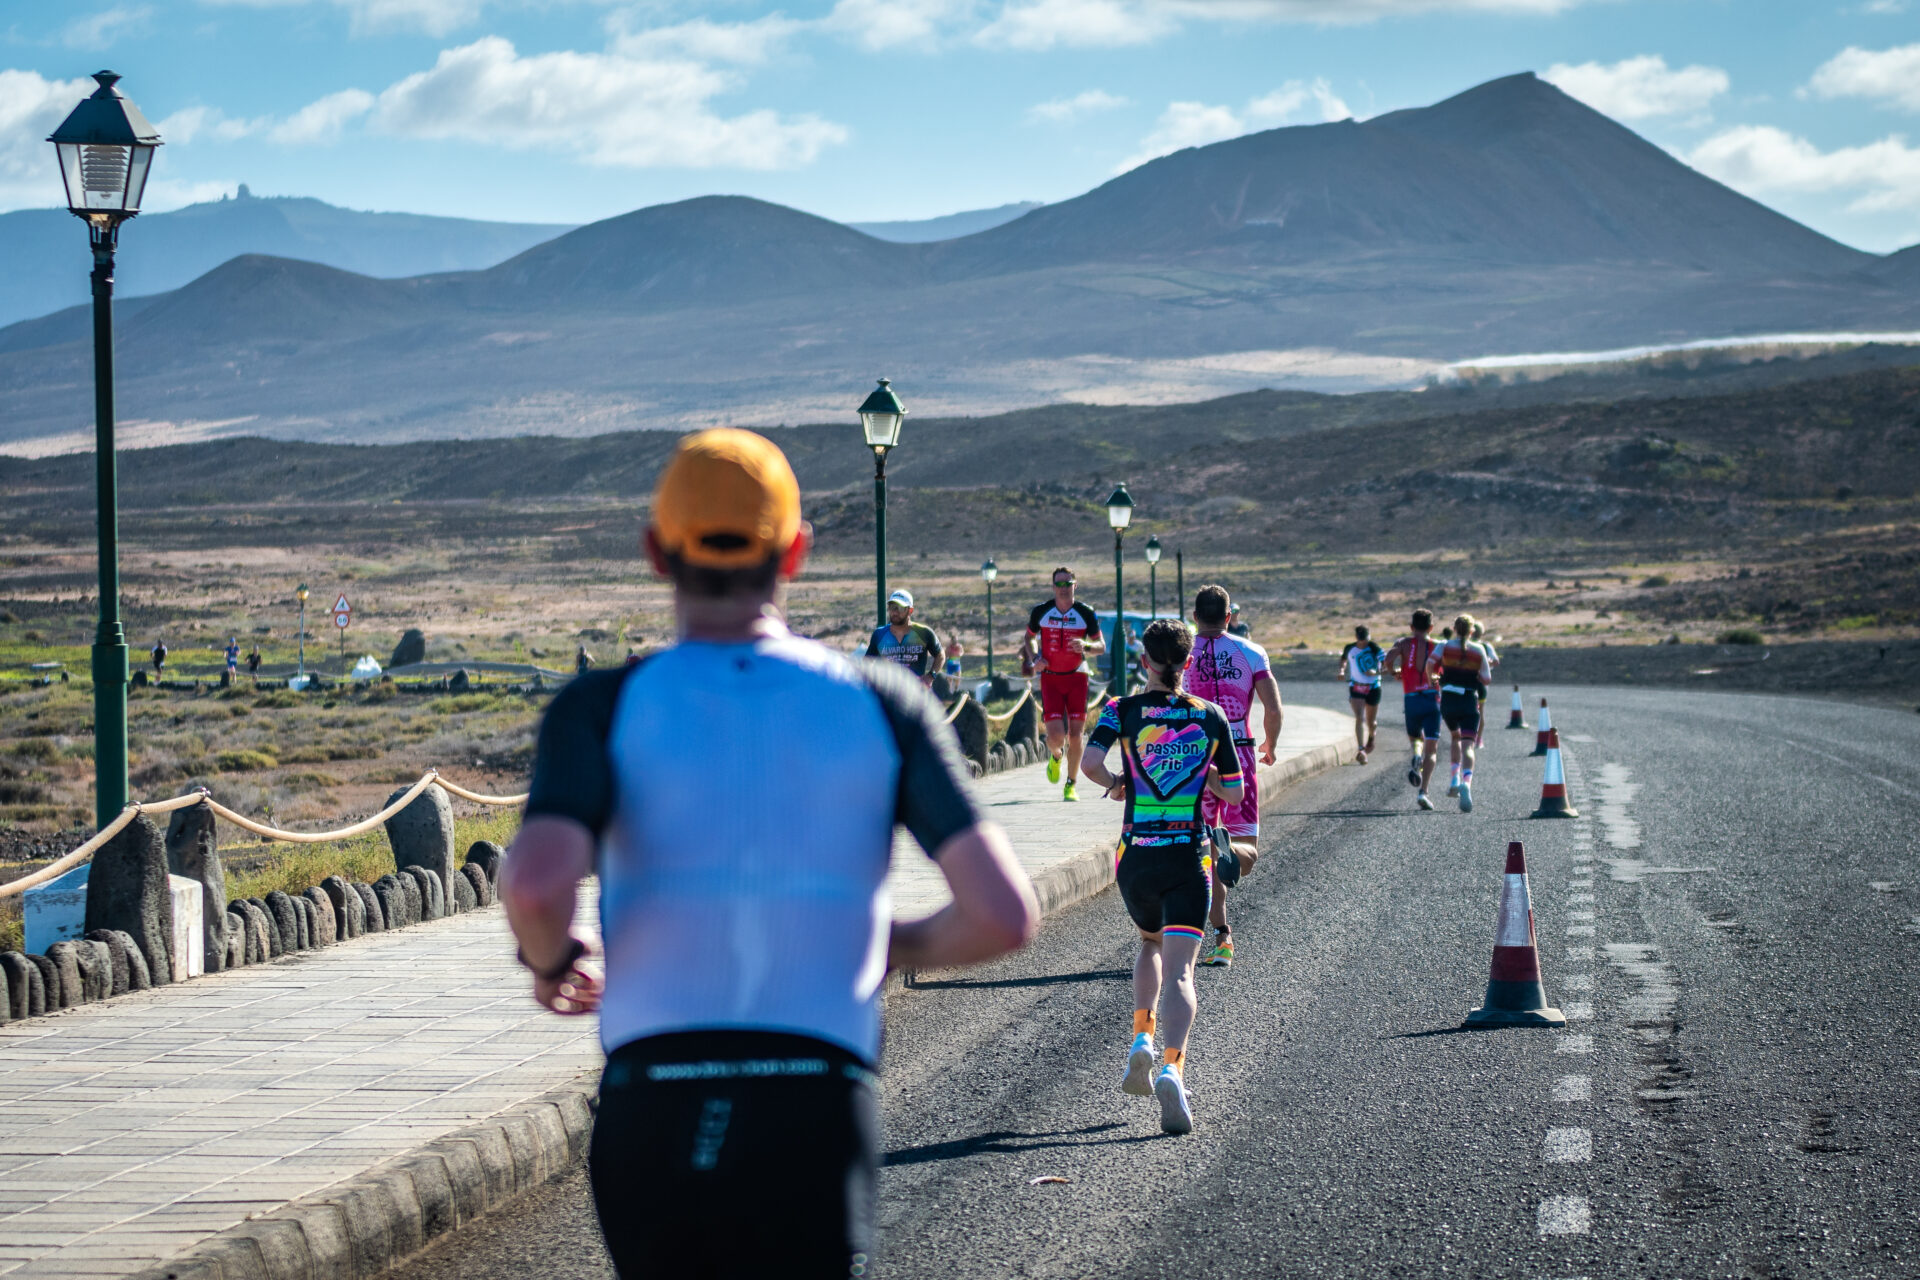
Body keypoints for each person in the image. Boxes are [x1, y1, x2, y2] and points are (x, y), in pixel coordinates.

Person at [501, 428, 1037, 1280]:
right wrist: (895, 945)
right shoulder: (883, 701)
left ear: (655, 552)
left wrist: (554, 958)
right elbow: (1004, 915)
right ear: (795, 551)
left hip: (652, 1100)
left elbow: (533, 882)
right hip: (813, 1098)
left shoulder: (600, 707)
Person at [1081, 619, 1243, 1136]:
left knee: (1148, 942)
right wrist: (1211, 777)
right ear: (1188, 662)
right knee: (1181, 971)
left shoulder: (1121, 710)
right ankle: (1172, 1065)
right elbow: (1236, 796)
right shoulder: (1210, 716)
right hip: (1188, 855)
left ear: (1144, 661)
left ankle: (1140, 1038)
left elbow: (1087, 762)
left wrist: (1117, 785)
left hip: (1136, 856)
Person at [1183, 585, 1281, 969]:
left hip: (1194, 755)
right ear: (1228, 617)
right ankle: (1224, 850)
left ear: (1195, 616)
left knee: (1202, 851)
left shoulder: (1181, 652)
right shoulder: (1252, 652)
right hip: (1238, 748)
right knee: (1247, 851)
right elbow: (1272, 707)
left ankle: (1223, 938)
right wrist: (1270, 744)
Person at [1022, 568, 1105, 801]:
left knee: (1076, 735)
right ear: (1053, 587)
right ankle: (1056, 756)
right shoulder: (1041, 611)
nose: (1063, 587)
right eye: (1059, 584)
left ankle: (1071, 784)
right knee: (1056, 736)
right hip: (1050, 678)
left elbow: (1102, 646)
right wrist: (1035, 658)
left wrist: (1086, 647)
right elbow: (1028, 637)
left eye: (1068, 583)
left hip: (1077, 676)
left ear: (1075, 585)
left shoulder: (1085, 613)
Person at [1382, 609, 1442, 811]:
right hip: (1432, 699)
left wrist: (1393, 672)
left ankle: (1417, 755)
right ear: (1431, 627)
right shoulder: (1437, 646)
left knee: (1416, 739)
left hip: (1411, 699)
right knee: (1432, 748)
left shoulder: (1403, 643)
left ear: (1411, 627)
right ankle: (1423, 792)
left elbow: (1388, 659)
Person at [1436, 614, 1493, 812]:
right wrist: (1475, 673)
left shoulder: (1444, 646)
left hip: (1449, 699)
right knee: (1468, 745)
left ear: (1454, 628)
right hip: (1469, 699)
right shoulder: (1479, 649)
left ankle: (1454, 779)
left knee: (1454, 738)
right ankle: (1466, 783)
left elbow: (1430, 663)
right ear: (1471, 631)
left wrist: (1432, 679)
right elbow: (1486, 679)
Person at [865, 589, 943, 687]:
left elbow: (940, 655)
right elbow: (867, 661)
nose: (895, 612)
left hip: (916, 692)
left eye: (900, 608)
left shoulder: (924, 633)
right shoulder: (879, 634)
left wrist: (931, 676)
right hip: (888, 692)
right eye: (892, 607)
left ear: (910, 610)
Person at [1338, 624, 1384, 763]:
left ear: (1369, 636)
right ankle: (1361, 750)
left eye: (1365, 640)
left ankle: (1371, 736)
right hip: (1356, 687)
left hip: (1373, 687)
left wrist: (1375, 672)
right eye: (1360, 641)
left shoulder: (1376, 649)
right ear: (1356, 638)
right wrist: (1341, 671)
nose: (1363, 643)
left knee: (1371, 722)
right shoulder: (1350, 648)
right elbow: (1343, 661)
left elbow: (1387, 667)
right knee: (1359, 717)